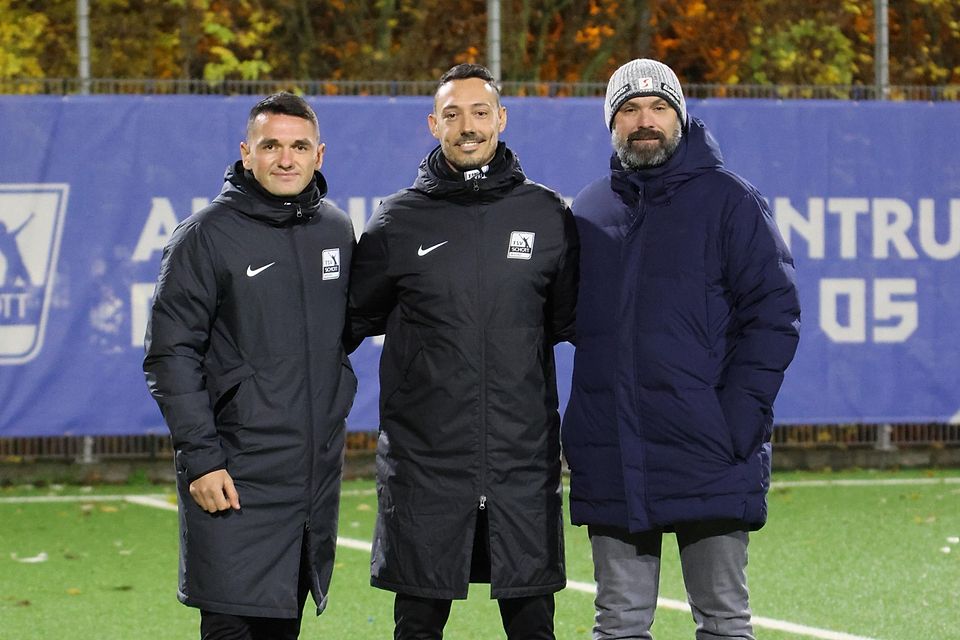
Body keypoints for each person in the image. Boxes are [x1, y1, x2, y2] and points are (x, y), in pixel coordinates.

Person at [562, 59, 801, 639]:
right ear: (611, 124)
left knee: (722, 621)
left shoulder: (731, 201)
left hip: (710, 451)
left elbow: (774, 315)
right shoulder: (588, 209)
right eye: (628, 110)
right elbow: (556, 318)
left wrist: (735, 422)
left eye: (659, 107)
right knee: (618, 622)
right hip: (614, 451)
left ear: (681, 116)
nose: (645, 121)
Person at [348, 63, 579, 640]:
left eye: (480, 112)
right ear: (434, 124)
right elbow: (353, 319)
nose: (467, 125)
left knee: (532, 627)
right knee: (417, 627)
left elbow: (563, 321)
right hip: (424, 468)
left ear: (501, 119)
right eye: (452, 114)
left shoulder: (547, 215)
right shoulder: (396, 221)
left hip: (519, 463)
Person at [143, 92, 357, 640]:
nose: (285, 158)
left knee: (282, 627)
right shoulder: (204, 235)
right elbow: (171, 354)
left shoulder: (336, 229)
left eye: (299, 146)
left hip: (308, 482)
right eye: (271, 146)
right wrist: (202, 458)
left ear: (320, 155)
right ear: (246, 153)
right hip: (233, 476)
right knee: (231, 622)